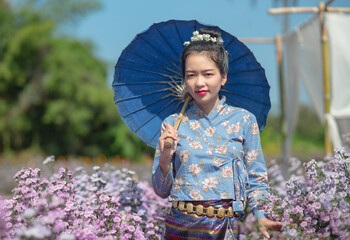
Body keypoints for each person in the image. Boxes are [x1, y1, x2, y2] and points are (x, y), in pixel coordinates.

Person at [152, 28, 282, 239]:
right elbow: (160, 190)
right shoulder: (172, 125)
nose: (199, 83)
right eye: (191, 75)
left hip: (225, 228)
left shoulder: (244, 120)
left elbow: (257, 180)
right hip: (180, 227)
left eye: (208, 74)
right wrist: (165, 156)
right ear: (184, 80)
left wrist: (262, 215)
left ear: (223, 77)